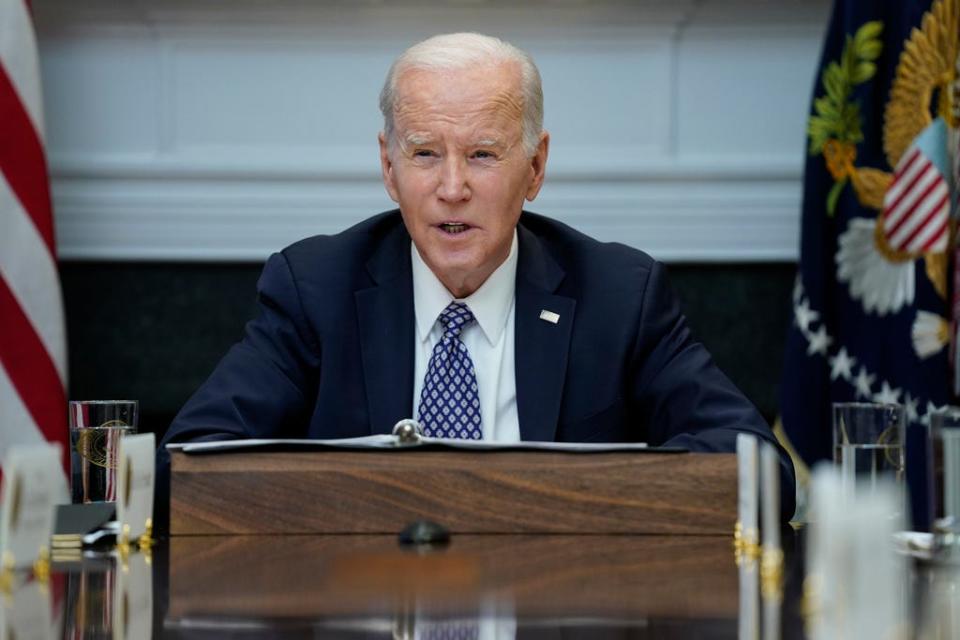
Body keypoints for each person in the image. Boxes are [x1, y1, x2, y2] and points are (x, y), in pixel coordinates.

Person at [157, 32, 795, 527]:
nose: (452, 189)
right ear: (388, 166)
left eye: (483, 155)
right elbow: (183, 466)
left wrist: (576, 505)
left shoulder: (618, 296)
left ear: (536, 167)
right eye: (425, 154)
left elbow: (760, 469)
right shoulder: (316, 288)